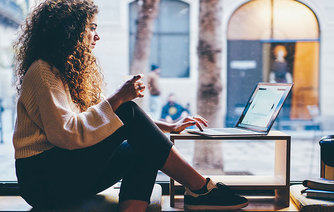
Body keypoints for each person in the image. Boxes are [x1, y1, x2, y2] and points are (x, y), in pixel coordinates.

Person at [12, 0, 248, 211]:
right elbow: (66, 134)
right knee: (126, 109)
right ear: (70, 30)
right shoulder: (43, 72)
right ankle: (201, 188)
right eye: (92, 27)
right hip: (42, 180)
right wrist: (118, 97)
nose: (97, 36)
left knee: (143, 148)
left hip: (64, 170)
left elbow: (105, 121)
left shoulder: (67, 72)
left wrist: (167, 126)